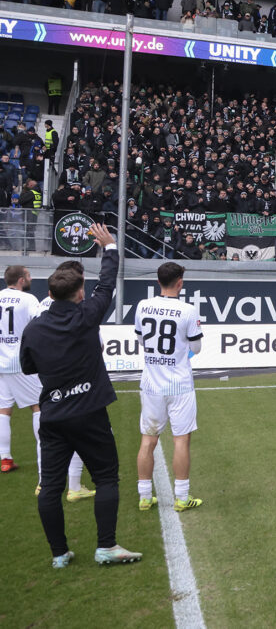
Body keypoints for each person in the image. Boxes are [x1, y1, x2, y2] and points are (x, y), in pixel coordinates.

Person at [21, 224, 142, 567]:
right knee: (105, 477)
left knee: (50, 487)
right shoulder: (88, 316)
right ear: (79, 294)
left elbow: (28, 367)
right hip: (88, 412)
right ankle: (106, 546)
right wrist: (110, 246)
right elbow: (107, 283)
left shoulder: (35, 328)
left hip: (54, 416)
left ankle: (59, 554)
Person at [0, 264, 93, 500]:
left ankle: (5, 457)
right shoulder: (28, 299)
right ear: (21, 280)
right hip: (21, 362)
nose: (31, 278)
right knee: (40, 408)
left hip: (0, 361)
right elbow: (42, 325)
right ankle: (44, 478)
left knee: (3, 411)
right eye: (29, 275)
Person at [133, 262, 204, 512]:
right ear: (180, 282)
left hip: (151, 383)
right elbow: (196, 348)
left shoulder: (143, 305)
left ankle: (144, 496)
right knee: (181, 441)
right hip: (179, 385)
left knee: (148, 440)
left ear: (158, 281)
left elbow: (141, 339)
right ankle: (182, 498)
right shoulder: (188, 310)